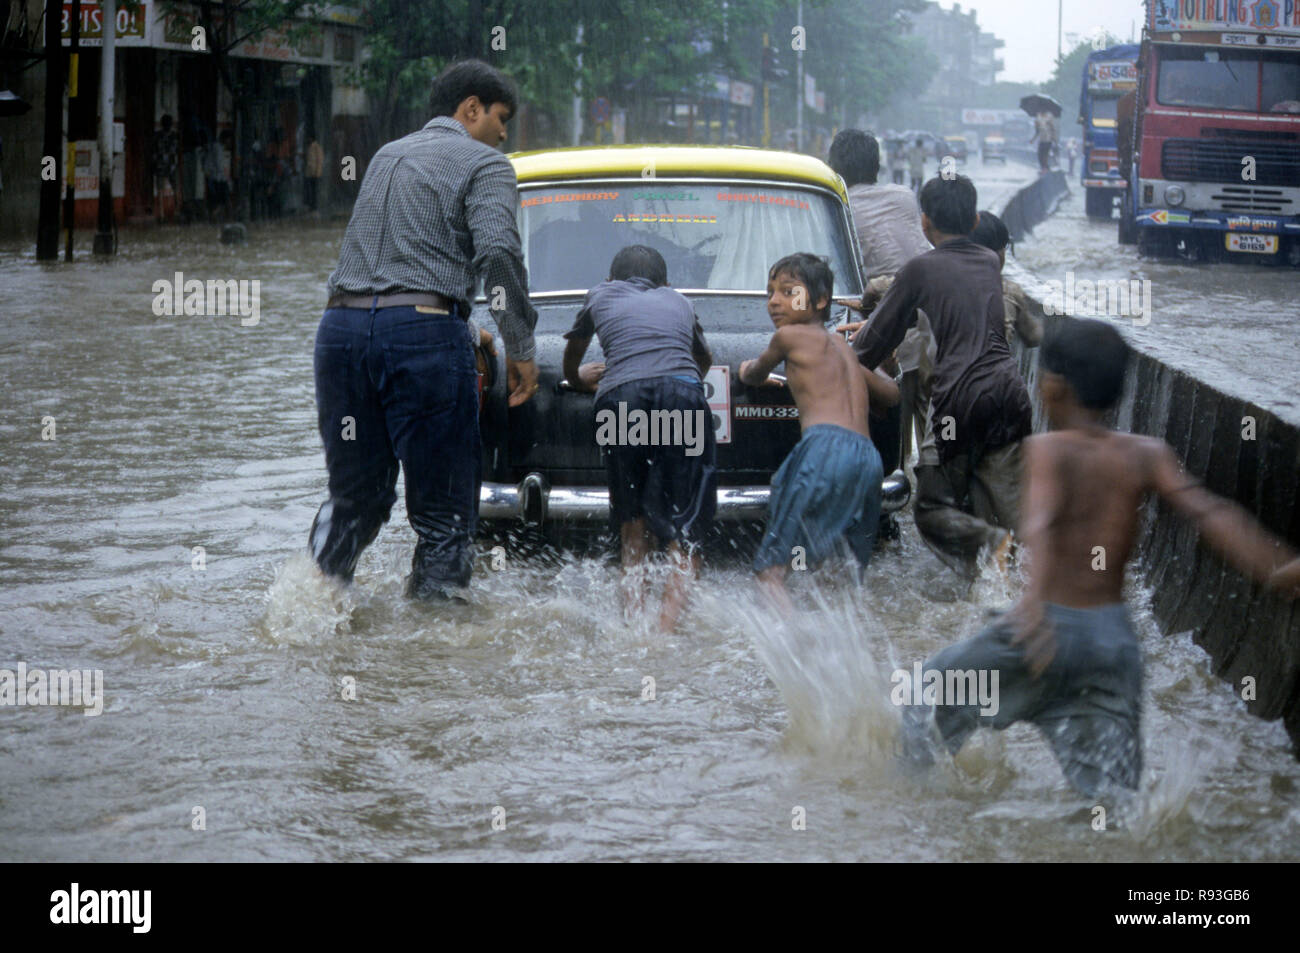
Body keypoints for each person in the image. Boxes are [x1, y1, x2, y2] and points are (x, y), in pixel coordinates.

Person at [900, 319, 1300, 798]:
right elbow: (1207, 511)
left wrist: (1031, 601)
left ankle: (908, 800)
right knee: (1113, 802)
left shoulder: (1048, 449)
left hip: (1044, 628)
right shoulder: (1146, 453)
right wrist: (1275, 568)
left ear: (1052, 386)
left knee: (925, 694)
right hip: (1111, 644)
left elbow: (1042, 522)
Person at [310, 59, 540, 601]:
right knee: (442, 517)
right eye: (501, 118)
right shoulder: (487, 163)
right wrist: (521, 344)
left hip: (339, 332)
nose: (504, 133)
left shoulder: (387, 155)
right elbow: (499, 252)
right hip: (423, 339)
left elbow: (389, 275)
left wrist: (463, 329)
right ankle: (433, 663)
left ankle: (311, 604)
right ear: (471, 108)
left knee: (355, 500)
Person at [852, 176, 1032, 577]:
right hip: (1010, 397)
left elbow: (873, 344)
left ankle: (988, 544)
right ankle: (1013, 592)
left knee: (933, 507)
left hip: (958, 404)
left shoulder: (920, 269)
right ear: (973, 221)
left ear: (924, 223)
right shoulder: (988, 262)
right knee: (1006, 516)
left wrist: (849, 345)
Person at [562, 246, 716, 633]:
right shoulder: (680, 301)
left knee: (631, 521)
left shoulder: (600, 293)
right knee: (686, 525)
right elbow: (705, 361)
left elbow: (574, 350)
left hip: (621, 398)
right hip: (682, 395)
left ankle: (633, 625)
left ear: (611, 279)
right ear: (665, 283)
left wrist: (579, 378)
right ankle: (664, 634)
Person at [739, 253, 900, 617]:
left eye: (788, 292)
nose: (775, 302)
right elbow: (892, 395)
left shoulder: (788, 336)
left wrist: (748, 369)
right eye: (770, 294)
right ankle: (839, 652)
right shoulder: (844, 348)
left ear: (821, 299)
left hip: (824, 448)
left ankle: (798, 651)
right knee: (839, 576)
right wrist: (884, 368)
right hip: (867, 459)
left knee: (770, 573)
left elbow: (754, 373)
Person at [152, 114, 178, 224]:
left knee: (161, 190)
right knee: (173, 188)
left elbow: (154, 151)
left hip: (163, 164)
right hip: (168, 165)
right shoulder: (173, 135)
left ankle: (163, 214)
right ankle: (173, 212)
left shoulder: (158, 135)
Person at [305, 136, 324, 212]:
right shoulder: (309, 147)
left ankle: (314, 205)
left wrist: (317, 172)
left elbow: (319, 160)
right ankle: (311, 205)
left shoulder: (316, 147)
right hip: (310, 172)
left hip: (315, 173)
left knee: (314, 190)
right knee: (311, 190)